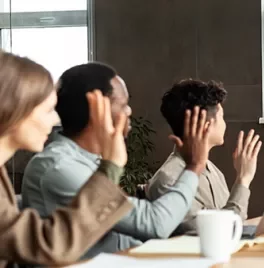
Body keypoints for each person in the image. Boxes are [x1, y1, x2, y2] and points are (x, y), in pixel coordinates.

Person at [20, 63, 211, 259]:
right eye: (122, 104)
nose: (128, 111)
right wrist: (193, 166)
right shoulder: (59, 168)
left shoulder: (87, 161)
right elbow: (156, 223)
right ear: (95, 107)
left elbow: (122, 237)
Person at [0, 51, 134, 267]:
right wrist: (111, 165)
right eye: (48, 110)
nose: (55, 119)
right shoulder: (54, 165)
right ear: (13, 109)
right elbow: (50, 245)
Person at [147, 79, 263, 235]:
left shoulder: (213, 171)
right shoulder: (168, 181)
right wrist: (243, 179)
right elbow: (216, 234)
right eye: (222, 117)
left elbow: (233, 222)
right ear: (207, 125)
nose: (225, 124)